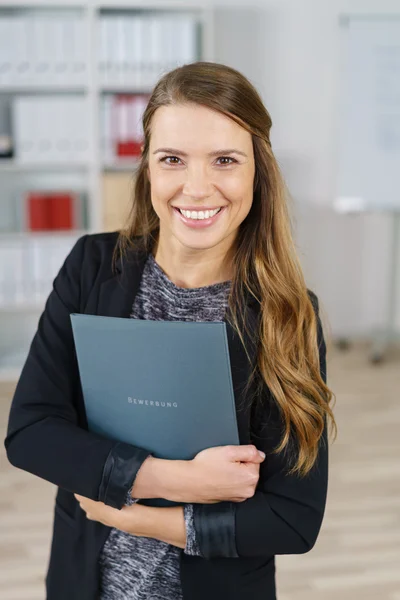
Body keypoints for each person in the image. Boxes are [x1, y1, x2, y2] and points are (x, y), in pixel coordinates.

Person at [4, 61, 336, 600]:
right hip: (82, 583)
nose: (197, 188)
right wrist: (180, 481)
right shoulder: (92, 266)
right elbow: (31, 432)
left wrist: (144, 517)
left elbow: (295, 519)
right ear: (148, 169)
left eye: (225, 160)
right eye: (173, 159)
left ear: (258, 170)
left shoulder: (288, 315)